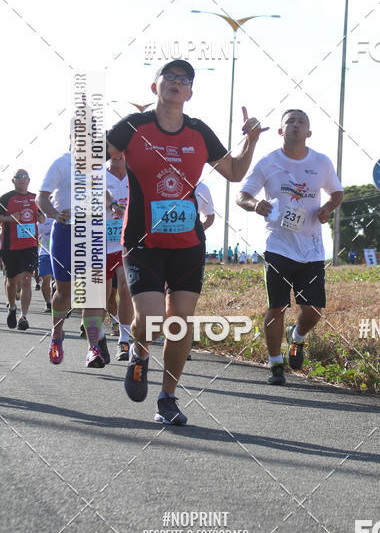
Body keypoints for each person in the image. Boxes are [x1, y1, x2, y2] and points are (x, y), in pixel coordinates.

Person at [106, 59, 266, 425]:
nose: (177, 83)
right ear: (155, 87)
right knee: (149, 319)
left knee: (180, 322)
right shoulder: (134, 126)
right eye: (170, 77)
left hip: (188, 243)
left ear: (190, 93)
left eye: (185, 80)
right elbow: (90, 159)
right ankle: (140, 355)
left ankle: (168, 398)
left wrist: (251, 140)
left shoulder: (199, 132)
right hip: (143, 240)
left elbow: (234, 171)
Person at [236, 109, 343, 385]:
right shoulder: (268, 162)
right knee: (277, 307)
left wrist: (327, 208)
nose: (296, 125)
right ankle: (275, 365)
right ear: (281, 131)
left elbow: (337, 192)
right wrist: (255, 204)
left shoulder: (321, 162)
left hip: (311, 249)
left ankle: (297, 336)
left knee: (314, 310)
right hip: (278, 247)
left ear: (309, 132)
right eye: (290, 122)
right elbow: (242, 195)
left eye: (301, 122)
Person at [37, 145, 108, 366]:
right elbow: (41, 198)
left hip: (93, 233)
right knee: (64, 293)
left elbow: (103, 193)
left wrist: (113, 204)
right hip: (65, 232)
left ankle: (93, 347)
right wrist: (54, 213)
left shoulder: (98, 165)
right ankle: (56, 335)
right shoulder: (61, 163)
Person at [0, 169, 45, 330]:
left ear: (29, 180)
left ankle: (23, 316)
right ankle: (12, 307)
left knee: (26, 280)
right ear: (13, 180)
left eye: (24, 177)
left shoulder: (34, 198)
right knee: (12, 281)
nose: (22, 179)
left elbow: (42, 216)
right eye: (18, 177)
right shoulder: (6, 198)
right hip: (10, 246)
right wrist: (9, 218)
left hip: (29, 245)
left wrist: (41, 217)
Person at [105, 153, 135, 361]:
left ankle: (124, 340)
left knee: (125, 288)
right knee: (103, 295)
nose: (117, 157)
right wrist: (112, 205)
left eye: (121, 153)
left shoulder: (135, 175)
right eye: (113, 153)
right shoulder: (99, 175)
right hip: (101, 242)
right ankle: (97, 340)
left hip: (126, 243)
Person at [37, 215, 54, 312]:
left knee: (60, 281)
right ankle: (48, 303)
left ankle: (58, 297)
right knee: (46, 279)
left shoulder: (59, 217)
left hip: (59, 254)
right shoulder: (40, 222)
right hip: (44, 253)